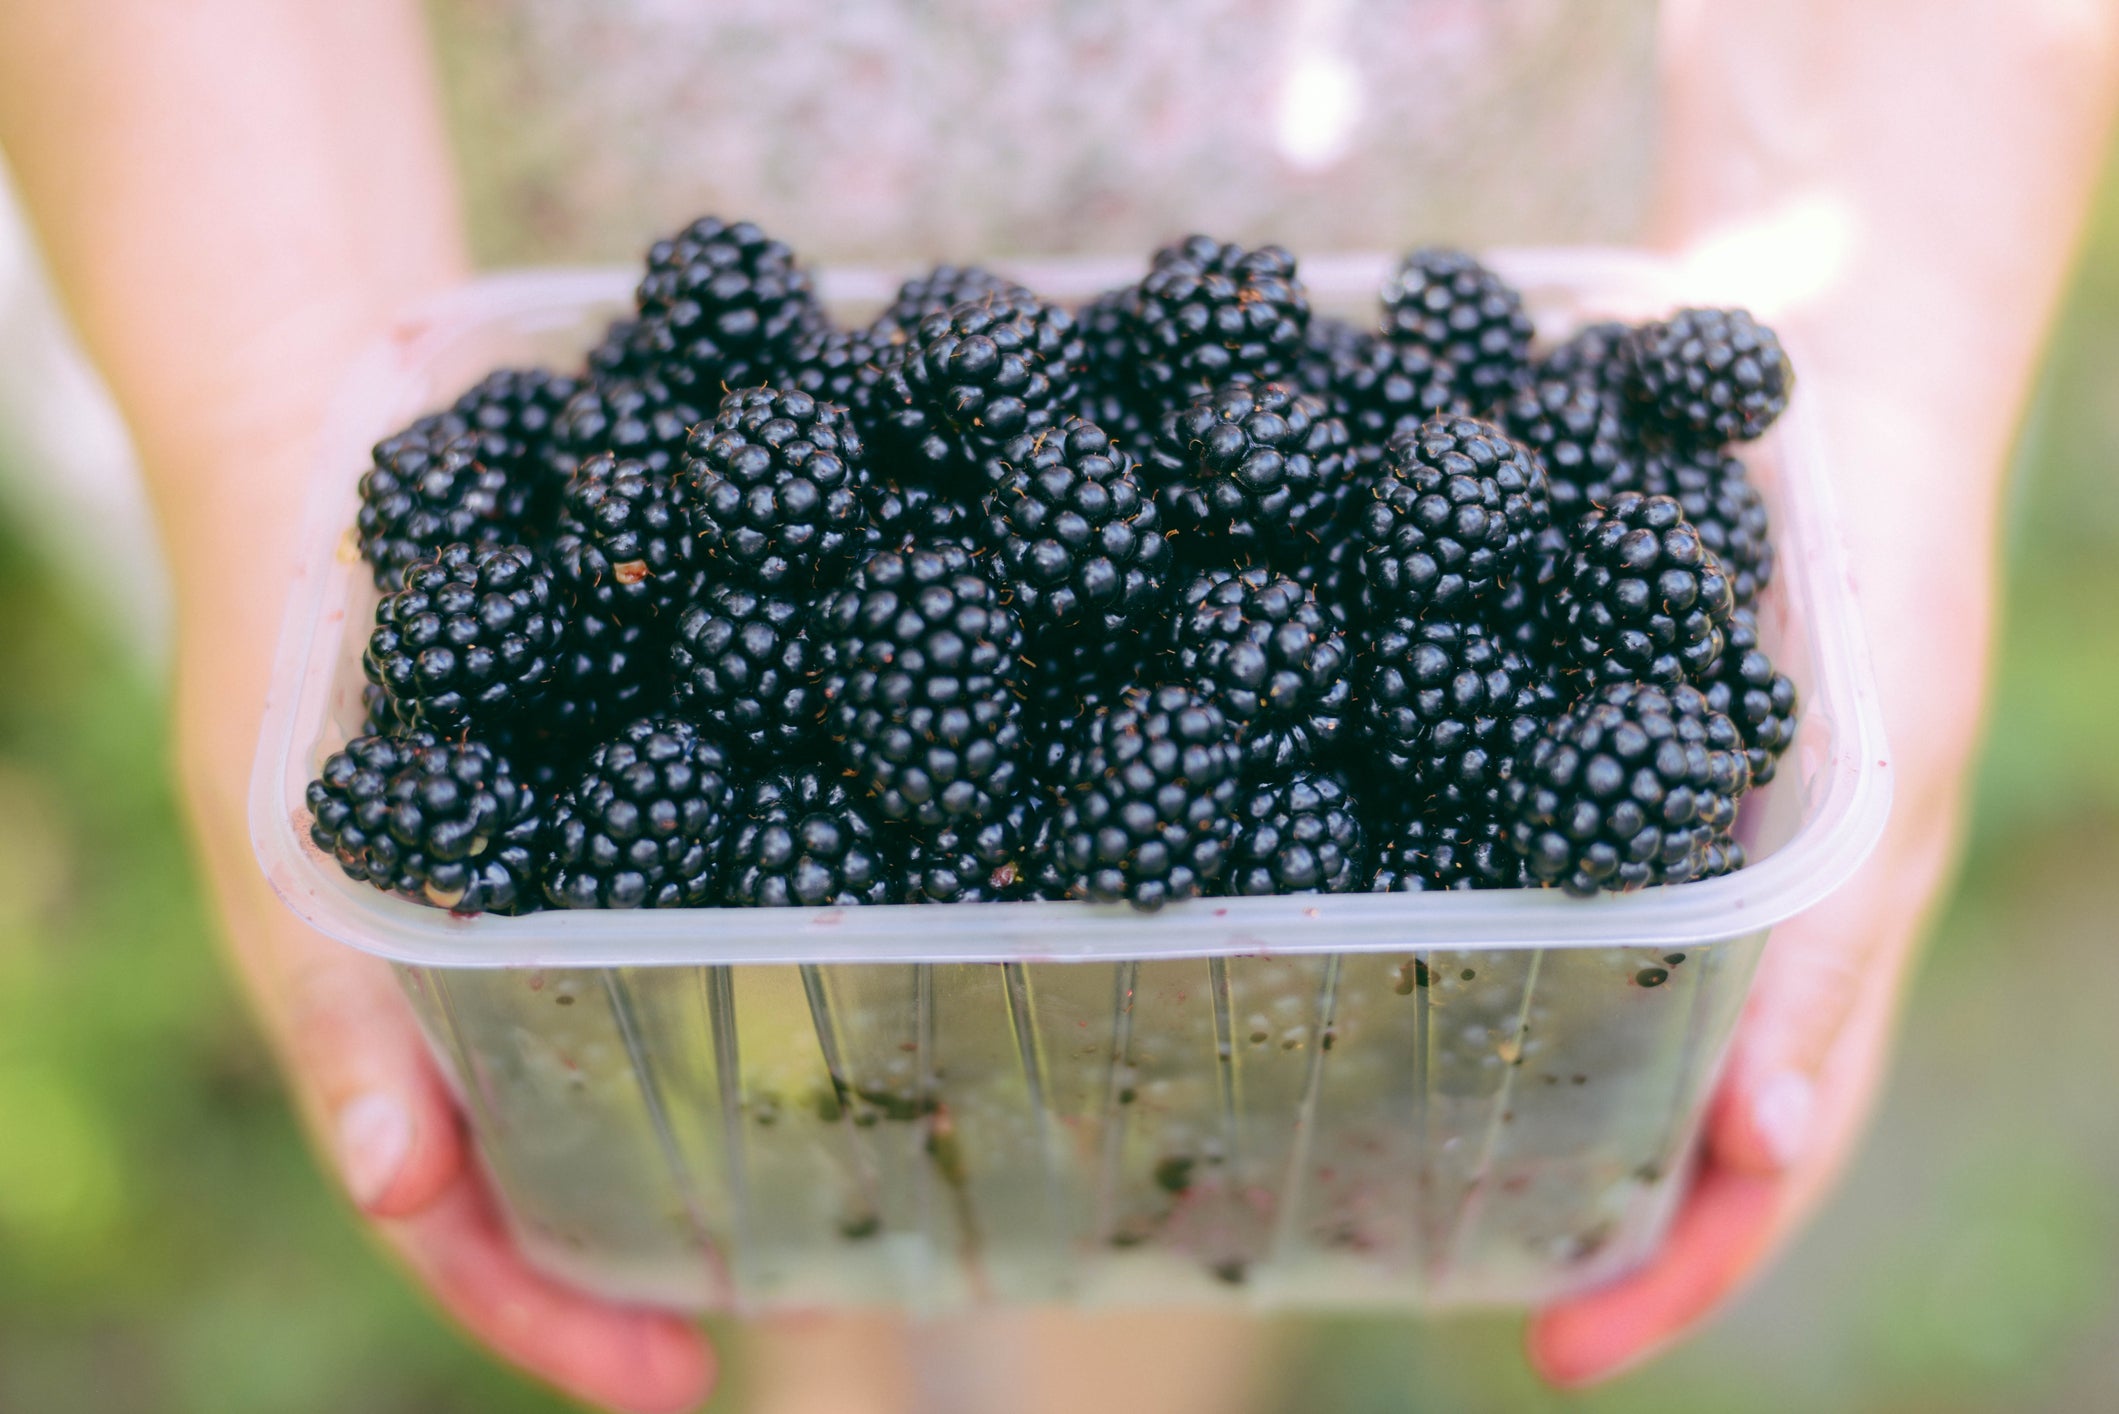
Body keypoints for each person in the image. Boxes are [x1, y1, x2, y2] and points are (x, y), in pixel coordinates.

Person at [1, 2, 2113, 1410]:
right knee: (794, 1115)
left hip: (1458, 131)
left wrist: (1898, 351)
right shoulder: (830, 551)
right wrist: (266, 388)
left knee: (1192, 1138)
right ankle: (862, 1325)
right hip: (549, 146)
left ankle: (1115, 1337)